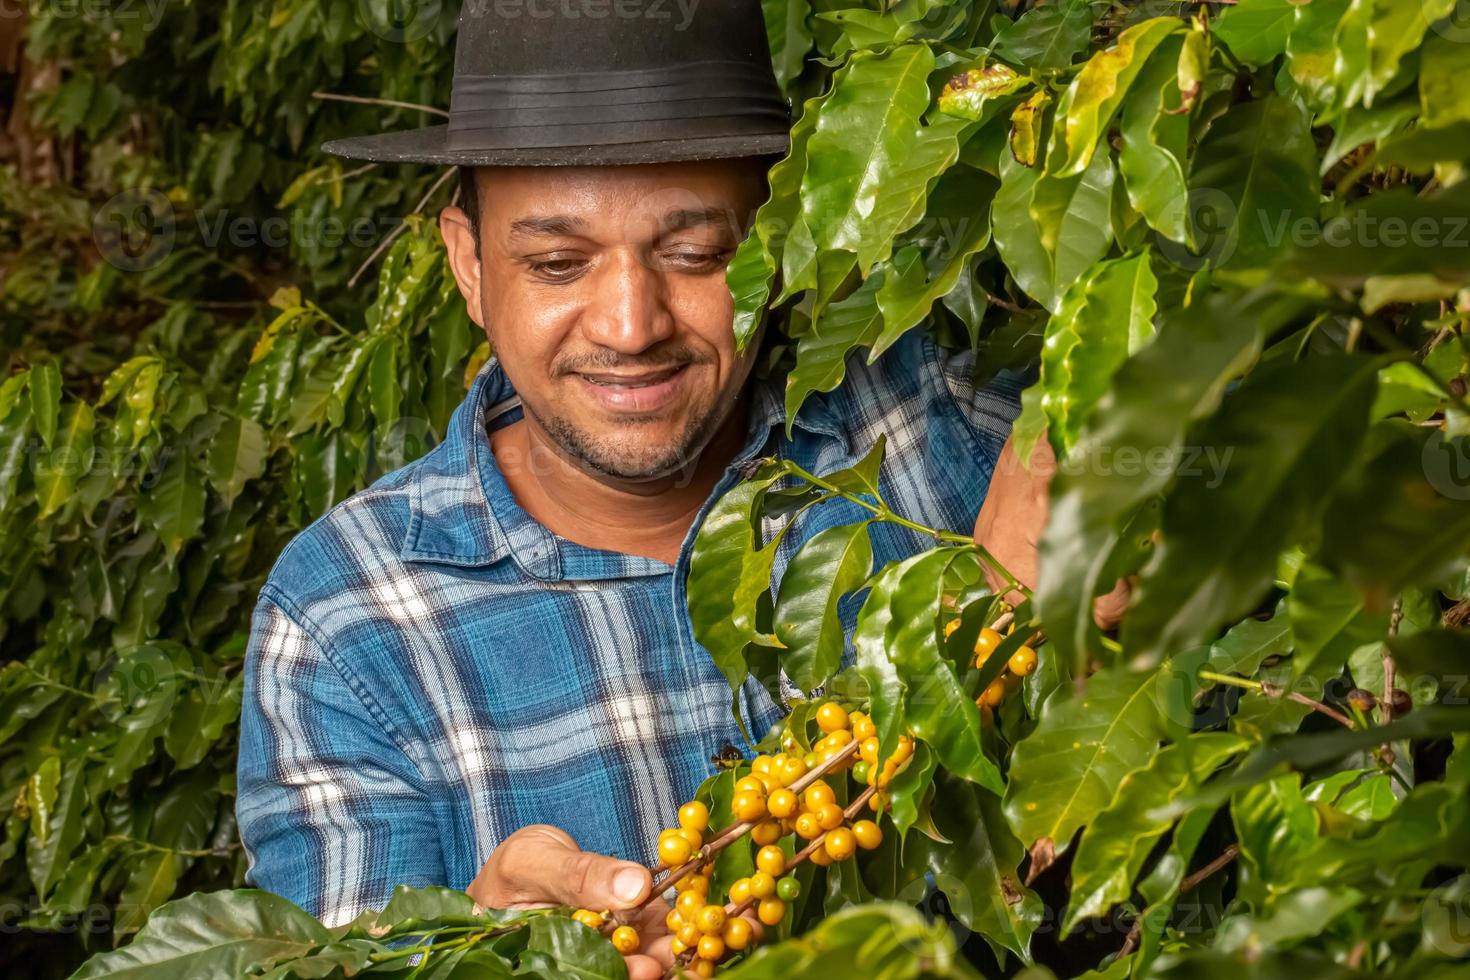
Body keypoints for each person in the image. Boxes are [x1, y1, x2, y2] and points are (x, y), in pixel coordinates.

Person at [235, 3, 1124, 977]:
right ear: (468, 265)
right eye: (558, 263)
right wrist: (477, 950)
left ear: (777, 245)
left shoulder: (943, 419)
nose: (629, 323)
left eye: (697, 253)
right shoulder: (346, 620)